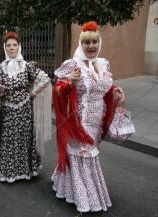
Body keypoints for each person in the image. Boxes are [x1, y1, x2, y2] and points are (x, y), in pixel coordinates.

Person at [51, 21, 125, 213]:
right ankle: (82, 196)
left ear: (99, 43)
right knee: (80, 155)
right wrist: (70, 84)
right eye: (87, 43)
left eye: (94, 41)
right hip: (78, 121)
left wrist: (116, 91)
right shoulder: (72, 65)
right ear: (81, 44)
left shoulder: (103, 64)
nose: (91, 46)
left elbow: (105, 89)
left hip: (95, 121)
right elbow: (57, 91)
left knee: (88, 155)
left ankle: (70, 187)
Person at [0, 32, 51, 183]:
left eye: (14, 45)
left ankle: (25, 171)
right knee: (8, 140)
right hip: (7, 111)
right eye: (8, 45)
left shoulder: (27, 66)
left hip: (24, 111)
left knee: (24, 140)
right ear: (5, 48)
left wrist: (32, 94)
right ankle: (8, 172)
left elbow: (44, 79)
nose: (11, 48)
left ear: (19, 46)